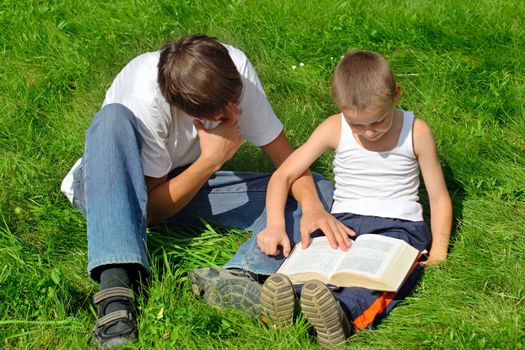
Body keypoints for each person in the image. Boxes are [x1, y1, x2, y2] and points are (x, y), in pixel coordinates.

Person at [60, 34, 350, 347]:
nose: (236, 116)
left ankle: (242, 277)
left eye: (236, 103)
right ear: (189, 111)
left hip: (180, 179)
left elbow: (287, 160)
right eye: (223, 117)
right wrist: (210, 161)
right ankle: (115, 294)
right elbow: (147, 212)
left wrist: (312, 207)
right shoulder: (142, 100)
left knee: (317, 186)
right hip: (109, 186)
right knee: (111, 119)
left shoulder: (234, 67)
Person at [256, 50, 452, 348]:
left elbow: (438, 198)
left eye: (379, 121)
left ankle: (344, 315)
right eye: (357, 125)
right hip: (342, 222)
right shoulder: (334, 127)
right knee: (314, 267)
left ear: (396, 95)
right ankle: (286, 305)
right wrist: (274, 225)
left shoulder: (416, 132)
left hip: (400, 227)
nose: (369, 132)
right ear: (341, 108)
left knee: (379, 278)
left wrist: (438, 252)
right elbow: (283, 175)